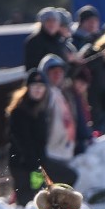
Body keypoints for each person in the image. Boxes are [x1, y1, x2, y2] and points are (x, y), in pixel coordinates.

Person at [6, 69, 49, 207]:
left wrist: (40, 165)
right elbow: (22, 141)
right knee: (26, 203)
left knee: (38, 201)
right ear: (28, 88)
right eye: (34, 86)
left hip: (37, 165)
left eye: (41, 87)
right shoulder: (19, 111)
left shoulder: (41, 110)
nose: (38, 90)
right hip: (22, 164)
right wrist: (34, 166)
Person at [38, 54, 78, 186]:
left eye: (60, 72)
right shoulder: (44, 93)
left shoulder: (62, 93)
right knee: (40, 187)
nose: (57, 75)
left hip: (62, 153)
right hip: (47, 154)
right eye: (53, 72)